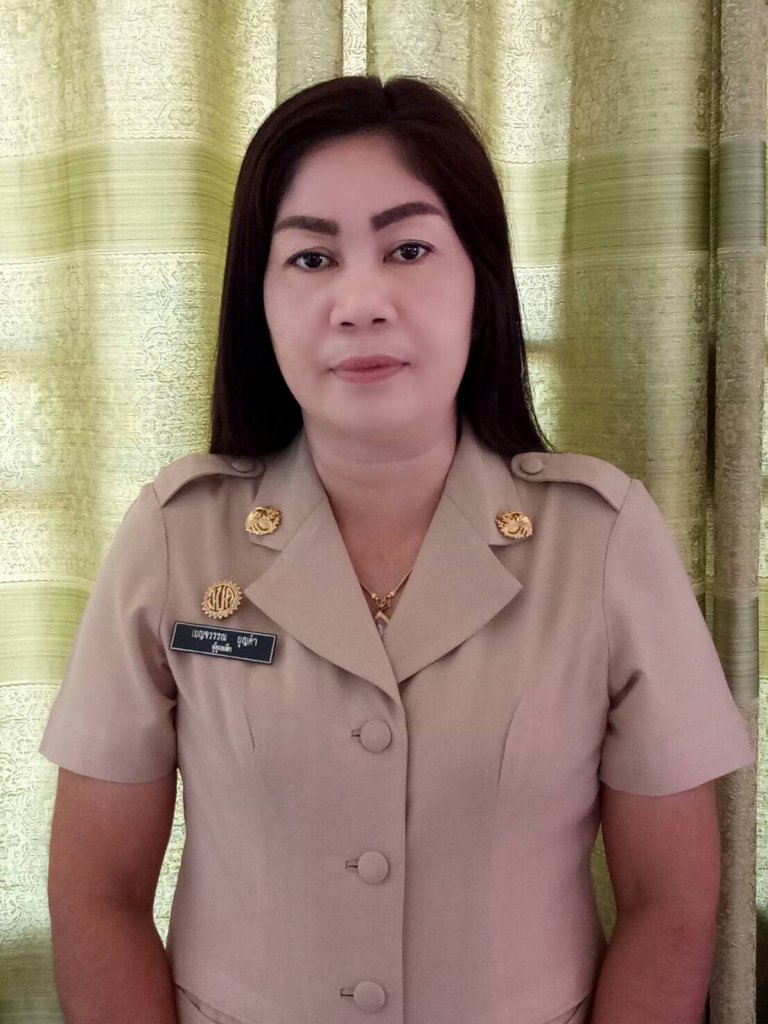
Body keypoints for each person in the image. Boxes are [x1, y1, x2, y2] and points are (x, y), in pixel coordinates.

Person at [41, 74, 754, 1024]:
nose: (359, 301)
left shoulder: (602, 541)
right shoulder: (178, 538)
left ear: (480, 283)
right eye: (310, 258)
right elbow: (98, 891)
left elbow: (670, 905)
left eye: (409, 248)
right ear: (260, 299)